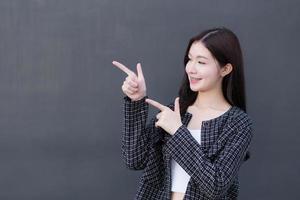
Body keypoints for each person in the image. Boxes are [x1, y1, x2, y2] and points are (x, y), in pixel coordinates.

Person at [112, 27, 253, 200]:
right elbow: (135, 159)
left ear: (225, 69)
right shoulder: (177, 110)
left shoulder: (238, 123)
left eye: (201, 62)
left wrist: (178, 132)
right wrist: (136, 101)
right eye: (190, 59)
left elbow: (215, 185)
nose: (190, 69)